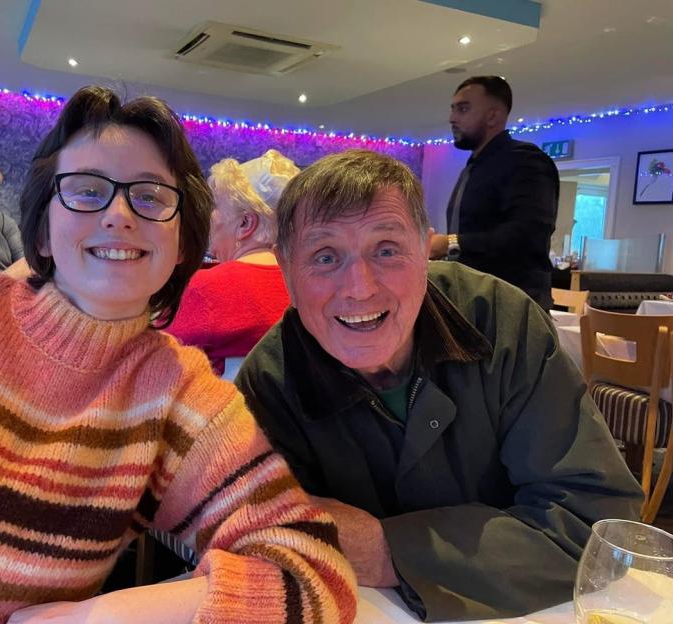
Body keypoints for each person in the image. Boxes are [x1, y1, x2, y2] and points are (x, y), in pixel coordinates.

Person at [0, 86, 356, 624]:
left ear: (184, 243)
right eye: (86, 191)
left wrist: (98, 616)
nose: (118, 214)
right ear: (41, 231)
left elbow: (312, 573)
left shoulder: (178, 398)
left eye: (152, 196)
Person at [235, 149, 642, 622]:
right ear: (286, 268)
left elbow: (596, 524)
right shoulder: (269, 383)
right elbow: (258, 539)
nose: (360, 287)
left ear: (426, 252)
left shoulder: (502, 324)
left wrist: (390, 552)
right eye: (325, 257)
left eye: (386, 249)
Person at [429, 76, 559, 310]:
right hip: (474, 301)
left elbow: (527, 234)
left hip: (513, 309)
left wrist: (449, 243)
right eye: (453, 109)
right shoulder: (474, 166)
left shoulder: (525, 160)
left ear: (492, 115)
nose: (452, 118)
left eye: (463, 109)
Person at [167, 150, 298, 377]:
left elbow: (154, 366)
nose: (209, 218)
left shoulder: (203, 290)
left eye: (215, 207)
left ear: (245, 223)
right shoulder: (313, 289)